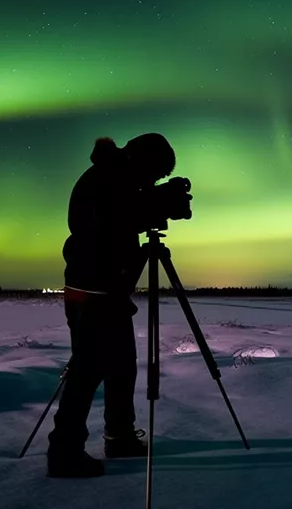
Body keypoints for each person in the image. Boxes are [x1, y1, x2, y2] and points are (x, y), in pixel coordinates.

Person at [46, 133, 177, 478]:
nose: (152, 182)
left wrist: (156, 198)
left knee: (121, 366)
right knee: (87, 372)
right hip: (93, 295)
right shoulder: (106, 177)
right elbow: (107, 220)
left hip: (108, 293)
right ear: (141, 161)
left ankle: (120, 437)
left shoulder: (116, 176)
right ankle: (64, 452)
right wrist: (156, 204)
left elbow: (124, 208)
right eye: (155, 174)